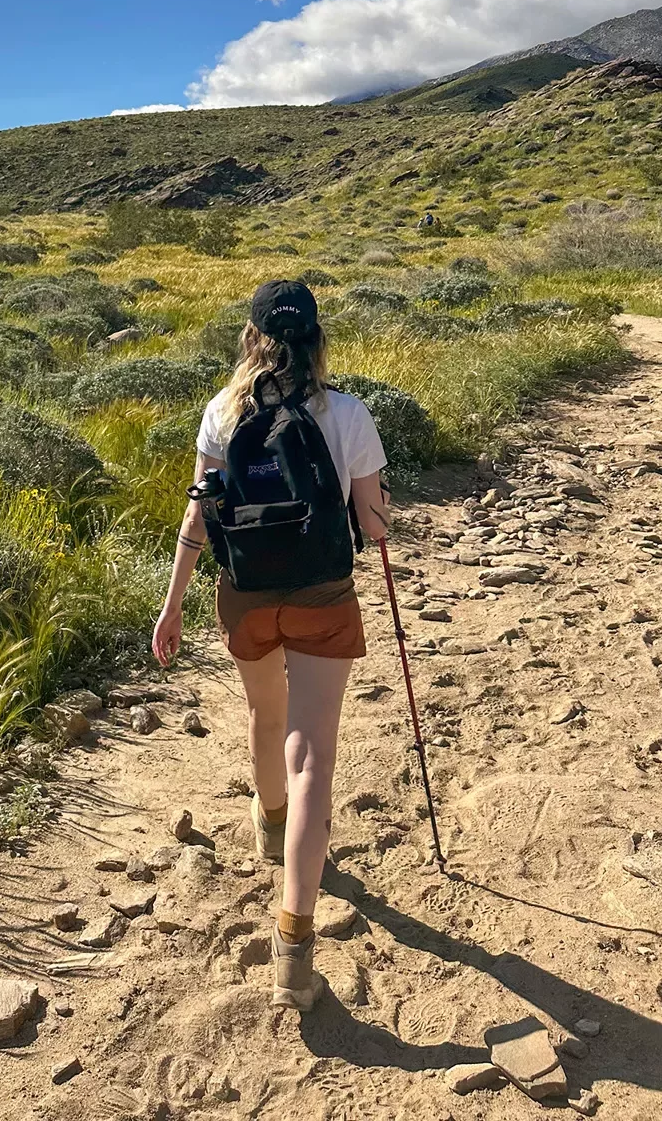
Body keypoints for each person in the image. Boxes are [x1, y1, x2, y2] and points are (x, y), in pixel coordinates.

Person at [152, 279, 390, 1010]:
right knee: (313, 745)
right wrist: (368, 522)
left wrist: (171, 608)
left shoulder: (222, 414)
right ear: (317, 339)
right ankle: (295, 935)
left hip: (243, 595)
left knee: (265, 715)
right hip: (322, 594)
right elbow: (376, 526)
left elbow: (199, 517)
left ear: (251, 336)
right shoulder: (348, 414)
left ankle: (271, 821)